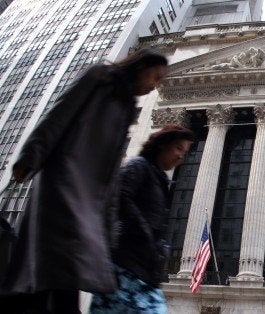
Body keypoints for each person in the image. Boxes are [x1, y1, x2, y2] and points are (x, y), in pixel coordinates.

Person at [1, 48, 168, 313]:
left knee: (62, 266)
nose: (154, 86)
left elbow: (113, 167)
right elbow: (60, 114)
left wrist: (111, 218)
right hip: (64, 179)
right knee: (60, 261)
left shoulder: (126, 109)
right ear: (141, 67)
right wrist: (31, 155)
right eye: (154, 77)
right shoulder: (101, 77)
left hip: (90, 195)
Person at [90, 125, 193, 313]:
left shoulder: (160, 180)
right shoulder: (139, 165)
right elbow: (119, 196)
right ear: (163, 144)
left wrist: (159, 247)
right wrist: (143, 231)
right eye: (178, 148)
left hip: (144, 270)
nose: (181, 156)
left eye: (185, 152)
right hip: (124, 264)